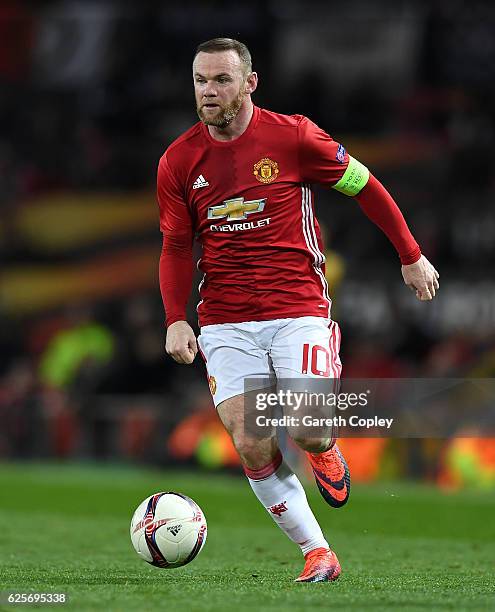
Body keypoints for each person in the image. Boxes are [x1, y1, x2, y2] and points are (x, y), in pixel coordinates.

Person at [157, 37, 439, 582]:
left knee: (307, 428)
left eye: (220, 80)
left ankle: (324, 447)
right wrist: (175, 317)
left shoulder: (294, 137)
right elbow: (174, 246)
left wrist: (411, 255)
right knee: (250, 441)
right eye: (200, 80)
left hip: (297, 305)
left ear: (249, 83)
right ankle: (318, 551)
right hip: (224, 319)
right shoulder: (178, 160)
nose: (208, 91)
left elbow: (365, 186)